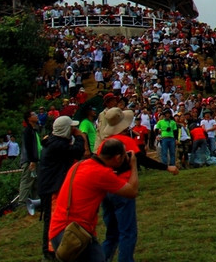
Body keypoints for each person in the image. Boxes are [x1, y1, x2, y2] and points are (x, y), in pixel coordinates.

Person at [98, 106, 178, 262]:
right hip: (123, 188)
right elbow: (142, 159)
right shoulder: (126, 141)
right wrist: (166, 167)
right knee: (127, 232)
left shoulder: (104, 144)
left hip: (106, 190)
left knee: (112, 233)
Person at [48, 138, 139, 262]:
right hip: (77, 234)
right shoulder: (102, 173)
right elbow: (132, 192)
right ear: (118, 158)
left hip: (59, 229)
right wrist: (133, 165)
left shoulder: (78, 165)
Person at [38, 115, 89, 259]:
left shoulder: (53, 141)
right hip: (51, 188)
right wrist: (79, 136)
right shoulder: (57, 145)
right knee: (53, 218)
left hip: (51, 186)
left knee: (55, 217)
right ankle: (50, 250)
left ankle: (53, 248)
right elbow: (77, 152)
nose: (74, 129)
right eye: (71, 128)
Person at [17, 110, 43, 212]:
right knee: (27, 181)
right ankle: (22, 203)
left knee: (36, 183)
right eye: (34, 115)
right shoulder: (28, 130)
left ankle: (36, 203)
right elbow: (28, 147)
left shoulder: (34, 130)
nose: (36, 116)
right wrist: (32, 160)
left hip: (35, 160)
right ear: (29, 118)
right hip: (29, 161)